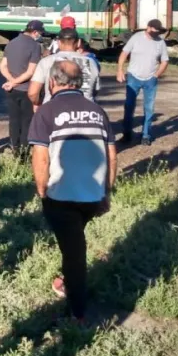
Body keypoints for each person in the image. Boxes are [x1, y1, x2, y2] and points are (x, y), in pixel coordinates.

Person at [29, 61, 116, 322]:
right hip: (93, 195)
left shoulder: (46, 112)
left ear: (53, 82)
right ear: (80, 84)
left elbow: (40, 158)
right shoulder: (97, 111)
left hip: (61, 196)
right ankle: (68, 280)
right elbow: (112, 154)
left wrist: (42, 189)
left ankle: (78, 312)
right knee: (74, 239)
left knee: (74, 253)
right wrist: (107, 192)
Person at [117, 19, 170, 146]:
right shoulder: (136, 37)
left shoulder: (160, 42)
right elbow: (124, 53)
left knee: (149, 108)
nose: (155, 34)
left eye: (158, 32)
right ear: (148, 27)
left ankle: (146, 135)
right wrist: (120, 70)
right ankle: (127, 133)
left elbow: (165, 60)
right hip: (133, 77)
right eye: (154, 31)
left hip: (150, 80)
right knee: (129, 106)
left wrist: (157, 75)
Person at [0, 20, 43, 157]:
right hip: (26, 90)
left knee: (13, 120)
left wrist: (11, 82)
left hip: (11, 90)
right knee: (26, 122)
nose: (40, 36)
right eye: (40, 33)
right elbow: (30, 72)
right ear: (35, 32)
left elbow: (2, 66)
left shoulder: (11, 43)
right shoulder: (35, 46)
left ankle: (14, 149)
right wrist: (16, 82)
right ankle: (23, 154)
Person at [29, 28, 100, 105]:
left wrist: (38, 105)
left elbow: (33, 93)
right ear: (79, 42)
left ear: (59, 43)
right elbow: (95, 90)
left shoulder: (46, 61)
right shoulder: (91, 62)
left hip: (54, 109)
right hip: (86, 110)